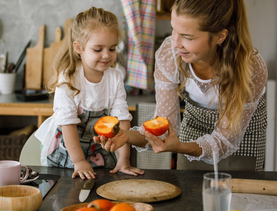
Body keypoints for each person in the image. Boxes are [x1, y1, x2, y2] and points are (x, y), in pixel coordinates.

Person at [94, 0, 268, 171]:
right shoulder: (169, 54)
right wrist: (126, 136)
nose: (175, 43)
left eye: (187, 37)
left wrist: (178, 147)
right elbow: (162, 127)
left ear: (220, 36)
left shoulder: (251, 69)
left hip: (242, 143)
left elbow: (223, 142)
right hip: (192, 132)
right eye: (174, 30)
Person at [35, 7, 144, 179]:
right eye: (98, 49)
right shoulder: (68, 78)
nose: (106, 55)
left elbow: (122, 123)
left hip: (97, 152)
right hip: (67, 153)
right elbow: (68, 125)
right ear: (79, 48)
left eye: (112, 48)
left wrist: (123, 159)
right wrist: (78, 161)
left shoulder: (114, 78)